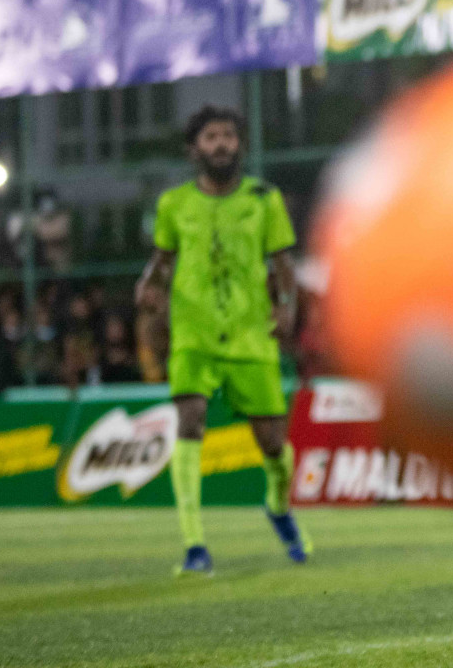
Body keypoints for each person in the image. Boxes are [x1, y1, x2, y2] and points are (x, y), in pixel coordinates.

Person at [135, 106, 307, 576]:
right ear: (194, 149)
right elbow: (162, 258)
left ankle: (277, 504)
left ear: (240, 145)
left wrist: (287, 305)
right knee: (189, 420)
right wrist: (149, 282)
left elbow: (283, 262)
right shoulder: (173, 204)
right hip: (193, 333)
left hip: (251, 335)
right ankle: (194, 545)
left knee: (272, 443)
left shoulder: (263, 198)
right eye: (211, 136)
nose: (221, 144)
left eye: (228, 136)